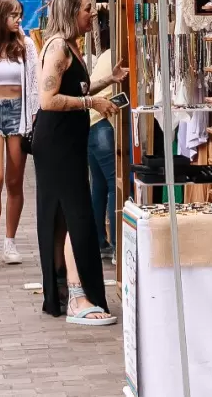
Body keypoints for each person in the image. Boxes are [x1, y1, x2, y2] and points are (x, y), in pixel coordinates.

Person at [34, 0, 126, 325]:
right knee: (77, 217)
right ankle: (76, 295)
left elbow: (76, 89)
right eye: (88, 8)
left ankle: (62, 291)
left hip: (67, 140)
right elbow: (49, 100)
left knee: (62, 217)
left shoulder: (70, 45)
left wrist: (106, 81)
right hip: (57, 142)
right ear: (73, 11)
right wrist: (92, 103)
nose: (93, 14)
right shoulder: (58, 47)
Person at [0, 0, 38, 269]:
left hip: (18, 113)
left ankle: (10, 240)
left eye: (19, 14)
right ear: (0, 16)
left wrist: (34, 116)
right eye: (13, 15)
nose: (18, 20)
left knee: (15, 182)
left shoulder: (26, 45)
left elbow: (34, 83)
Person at [87, 27, 120, 264]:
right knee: (114, 185)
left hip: (90, 123)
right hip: (102, 125)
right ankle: (119, 246)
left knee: (99, 186)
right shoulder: (119, 55)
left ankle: (99, 242)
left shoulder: (106, 54)